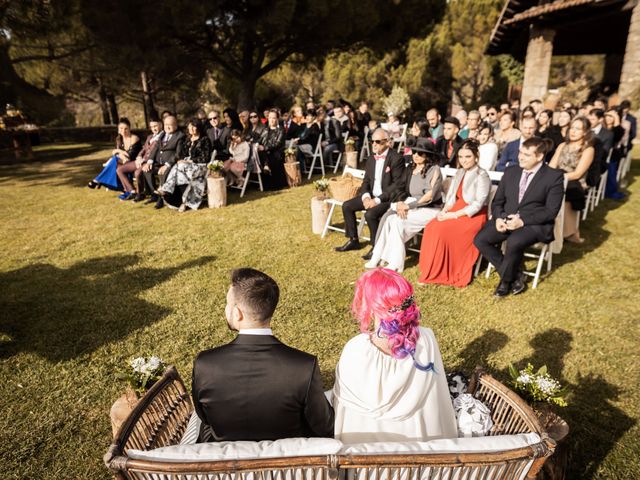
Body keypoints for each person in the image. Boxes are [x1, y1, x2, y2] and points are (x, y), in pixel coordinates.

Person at [192, 268, 334, 442]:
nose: (225, 308)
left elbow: (206, 418)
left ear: (238, 313)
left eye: (227, 303)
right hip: (287, 466)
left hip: (226, 462)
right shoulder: (304, 366)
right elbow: (324, 426)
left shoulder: (205, 364)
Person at [332, 268, 457, 443]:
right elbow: (438, 396)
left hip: (363, 454)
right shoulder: (426, 339)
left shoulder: (355, 350)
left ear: (371, 306)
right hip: (420, 451)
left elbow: (343, 407)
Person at [474, 137, 565, 297]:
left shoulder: (553, 177)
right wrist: (499, 218)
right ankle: (516, 275)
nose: (520, 157)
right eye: (520, 152)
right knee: (481, 239)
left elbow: (551, 211)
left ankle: (505, 282)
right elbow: (497, 202)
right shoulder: (511, 171)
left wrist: (522, 221)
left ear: (539, 156)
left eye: (527, 155)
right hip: (506, 219)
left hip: (535, 223)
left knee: (514, 241)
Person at [418, 139, 490, 287]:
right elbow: (451, 197)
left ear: (476, 157)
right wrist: (445, 210)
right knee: (432, 226)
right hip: (456, 209)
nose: (464, 160)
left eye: (468, 157)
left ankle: (443, 272)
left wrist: (453, 215)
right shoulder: (460, 172)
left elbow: (478, 204)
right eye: (461, 157)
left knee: (442, 230)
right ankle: (428, 271)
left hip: (473, 216)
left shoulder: (482, 175)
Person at [365, 138, 443, 272]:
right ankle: (377, 255)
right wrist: (400, 202)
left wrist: (408, 206)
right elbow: (400, 188)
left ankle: (396, 263)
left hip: (429, 208)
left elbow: (429, 196)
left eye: (420, 153)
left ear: (428, 155)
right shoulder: (410, 168)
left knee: (398, 222)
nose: (416, 156)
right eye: (414, 152)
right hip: (411, 204)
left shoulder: (434, 170)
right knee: (390, 219)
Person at [335, 128, 406, 259]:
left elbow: (396, 186)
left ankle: (376, 246)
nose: (374, 144)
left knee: (370, 214)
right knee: (347, 206)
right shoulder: (371, 159)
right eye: (372, 141)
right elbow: (366, 181)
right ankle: (353, 240)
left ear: (387, 142)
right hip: (372, 195)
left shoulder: (396, 158)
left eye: (378, 142)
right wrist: (366, 197)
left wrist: (377, 200)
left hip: (388, 199)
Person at [548, 117, 595, 243]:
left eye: (578, 129)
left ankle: (570, 232)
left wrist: (559, 179)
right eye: (572, 128)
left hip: (575, 182)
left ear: (585, 132)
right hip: (558, 179)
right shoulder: (562, 145)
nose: (573, 131)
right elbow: (552, 166)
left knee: (565, 191)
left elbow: (578, 173)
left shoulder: (588, 149)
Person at [156, 119, 211, 212]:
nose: (191, 128)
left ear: (198, 128)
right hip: (186, 166)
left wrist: (189, 161)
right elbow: (182, 154)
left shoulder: (205, 139)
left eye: (194, 126)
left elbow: (205, 157)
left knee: (179, 167)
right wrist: (182, 160)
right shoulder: (187, 139)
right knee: (178, 168)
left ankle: (166, 188)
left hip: (200, 166)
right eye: (190, 126)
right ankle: (183, 203)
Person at [142, 115, 186, 209]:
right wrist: (149, 161)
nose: (167, 127)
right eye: (166, 124)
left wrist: (167, 165)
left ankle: (161, 199)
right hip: (158, 162)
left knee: (163, 172)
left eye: (170, 125)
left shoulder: (180, 136)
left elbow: (178, 154)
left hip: (170, 164)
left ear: (176, 126)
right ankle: (156, 194)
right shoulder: (162, 135)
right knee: (146, 170)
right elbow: (155, 149)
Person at [116, 118, 163, 202]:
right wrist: (139, 157)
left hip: (151, 162)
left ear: (161, 125)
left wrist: (145, 161)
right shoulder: (150, 136)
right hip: (141, 160)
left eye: (155, 126)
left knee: (137, 173)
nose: (153, 128)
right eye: (152, 127)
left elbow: (157, 153)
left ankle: (141, 194)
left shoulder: (163, 137)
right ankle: (132, 191)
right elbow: (144, 149)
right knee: (120, 170)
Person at [88, 118, 141, 192]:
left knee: (115, 159)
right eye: (121, 128)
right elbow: (115, 152)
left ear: (129, 129)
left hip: (134, 162)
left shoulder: (134, 138)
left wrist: (119, 152)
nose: (123, 131)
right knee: (116, 164)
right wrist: (119, 152)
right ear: (118, 129)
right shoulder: (119, 139)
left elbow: (130, 156)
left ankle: (98, 180)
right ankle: (125, 188)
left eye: (126, 129)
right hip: (123, 162)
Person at [258, 109, 287, 190]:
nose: (271, 120)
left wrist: (265, 147)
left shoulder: (281, 130)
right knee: (260, 155)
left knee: (268, 155)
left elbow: (278, 144)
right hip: (265, 153)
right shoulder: (265, 129)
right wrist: (257, 145)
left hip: (276, 153)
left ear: (277, 119)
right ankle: (266, 168)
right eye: (270, 117)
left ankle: (267, 166)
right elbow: (260, 140)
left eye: (274, 118)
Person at [603, 108, 626, 199]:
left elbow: (618, 133)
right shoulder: (601, 127)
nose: (608, 118)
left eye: (611, 117)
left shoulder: (618, 129)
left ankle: (610, 191)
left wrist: (616, 117)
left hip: (611, 155)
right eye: (607, 116)